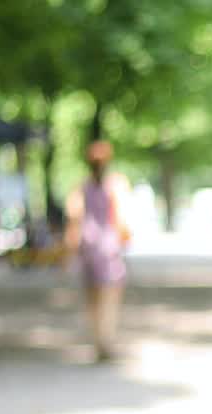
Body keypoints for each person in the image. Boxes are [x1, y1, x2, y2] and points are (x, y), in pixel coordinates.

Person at [63, 140, 132, 363]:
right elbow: (122, 219)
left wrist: (69, 251)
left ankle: (98, 340)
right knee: (110, 297)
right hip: (108, 248)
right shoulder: (116, 184)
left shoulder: (80, 188)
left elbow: (74, 220)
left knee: (92, 298)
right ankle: (106, 341)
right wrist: (124, 240)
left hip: (88, 247)